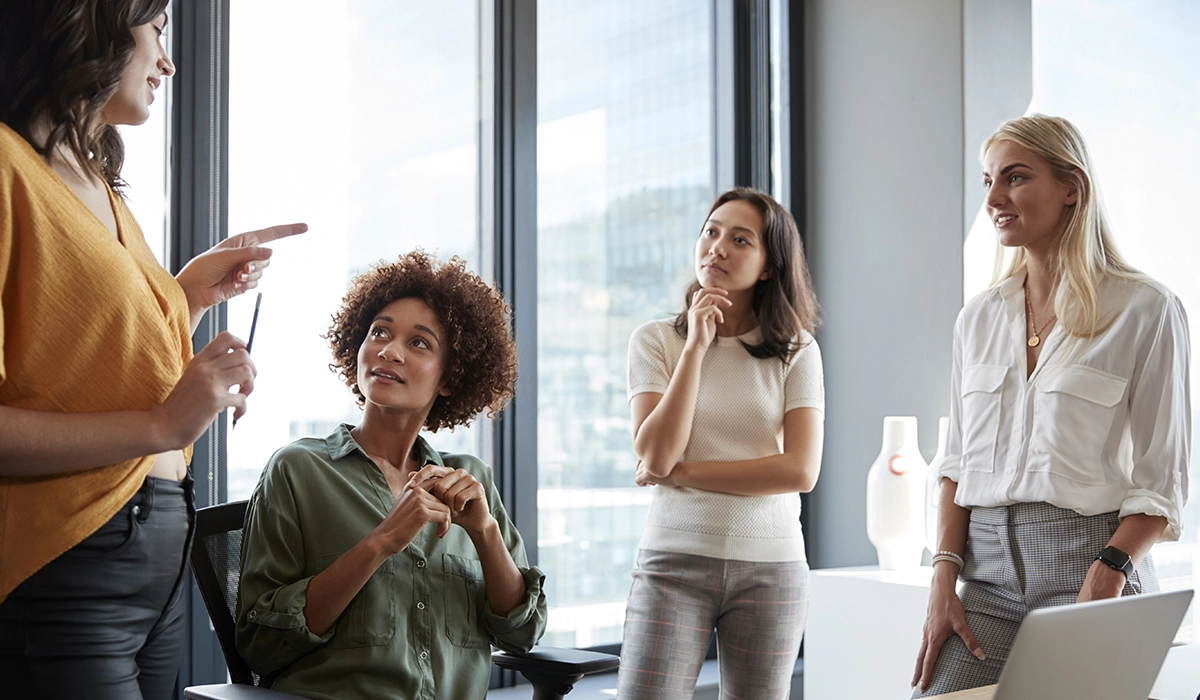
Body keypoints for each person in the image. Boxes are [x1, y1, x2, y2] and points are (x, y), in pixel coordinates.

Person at [0, 1, 305, 697]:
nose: (168, 60)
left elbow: (81, 357)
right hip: (67, 558)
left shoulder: (96, 184)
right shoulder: (5, 168)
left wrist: (188, 296)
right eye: (159, 30)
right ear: (90, 20)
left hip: (159, 553)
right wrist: (163, 425)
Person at [911, 114, 1191, 696]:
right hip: (984, 581)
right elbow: (956, 464)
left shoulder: (1146, 310)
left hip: (1088, 569)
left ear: (1072, 188)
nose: (994, 198)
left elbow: (1162, 482)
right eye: (987, 181)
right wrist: (944, 579)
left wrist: (1110, 571)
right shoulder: (978, 319)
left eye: (1014, 178)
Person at [236, 251, 546, 699]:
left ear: (450, 379)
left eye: (419, 343)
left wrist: (485, 532)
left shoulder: (470, 478)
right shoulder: (298, 470)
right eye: (379, 332)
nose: (389, 350)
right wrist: (380, 543)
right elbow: (259, 645)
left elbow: (524, 633)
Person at [616, 187, 824, 699]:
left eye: (740, 239)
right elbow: (657, 453)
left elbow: (799, 470)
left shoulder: (797, 350)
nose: (718, 247)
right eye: (710, 231)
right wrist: (695, 349)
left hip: (771, 567)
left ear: (770, 265)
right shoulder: (656, 340)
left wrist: (685, 474)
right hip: (673, 559)